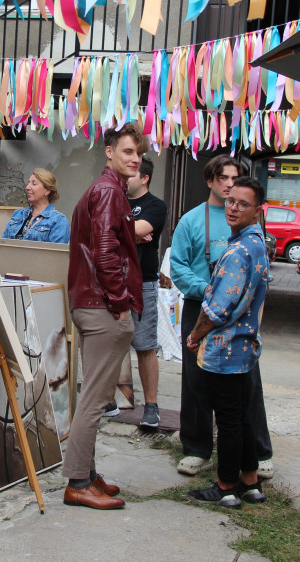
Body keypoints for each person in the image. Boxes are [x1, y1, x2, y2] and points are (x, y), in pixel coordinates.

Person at [169, 155, 274, 479]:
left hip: (236, 313)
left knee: (246, 383)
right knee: (196, 380)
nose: (230, 185)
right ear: (211, 181)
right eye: (224, 178)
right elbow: (178, 266)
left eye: (236, 178)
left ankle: (256, 452)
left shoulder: (247, 224)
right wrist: (209, 288)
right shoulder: (191, 220)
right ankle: (197, 448)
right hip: (200, 305)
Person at [62, 122, 145, 510]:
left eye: (138, 154)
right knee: (95, 399)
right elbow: (106, 252)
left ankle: (87, 474)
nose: (135, 158)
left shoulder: (106, 190)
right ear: (109, 151)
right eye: (127, 151)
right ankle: (78, 481)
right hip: (102, 305)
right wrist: (120, 301)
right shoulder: (110, 190)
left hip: (91, 301)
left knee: (92, 395)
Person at [125, 156, 167, 429]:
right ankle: (110, 399)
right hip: (113, 280)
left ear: (145, 178)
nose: (124, 177)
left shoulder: (156, 206)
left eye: (131, 173)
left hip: (143, 284)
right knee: (109, 346)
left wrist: (122, 231)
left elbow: (139, 228)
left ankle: (151, 406)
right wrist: (133, 235)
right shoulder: (114, 201)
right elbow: (96, 229)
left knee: (145, 346)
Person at [1, 168, 70, 243]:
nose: (27, 187)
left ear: (47, 190)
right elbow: (3, 245)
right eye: (28, 183)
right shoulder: (18, 214)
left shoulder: (58, 221)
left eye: (34, 184)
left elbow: (55, 253)